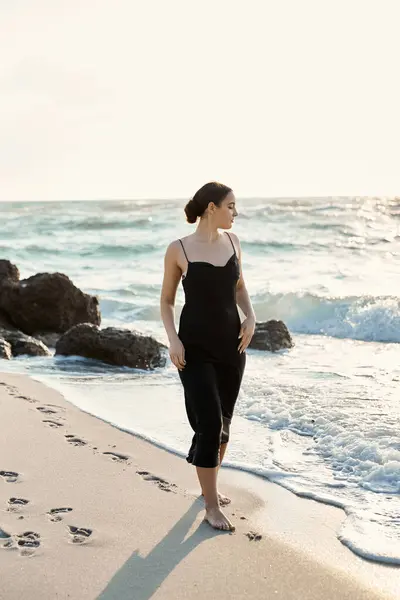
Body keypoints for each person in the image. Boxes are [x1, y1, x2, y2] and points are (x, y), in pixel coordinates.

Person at [160, 182, 256, 531]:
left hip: (232, 348)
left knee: (223, 424)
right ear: (212, 207)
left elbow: (239, 286)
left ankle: (208, 488)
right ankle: (211, 507)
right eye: (231, 206)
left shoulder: (233, 243)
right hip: (194, 349)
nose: (235, 213)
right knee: (210, 424)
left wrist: (251, 316)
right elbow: (167, 301)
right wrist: (173, 340)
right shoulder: (179, 249)